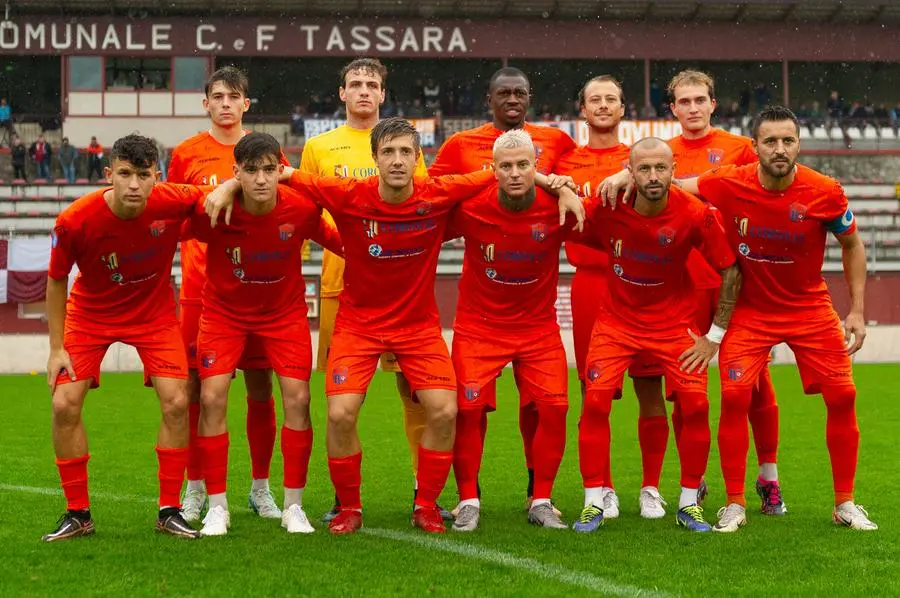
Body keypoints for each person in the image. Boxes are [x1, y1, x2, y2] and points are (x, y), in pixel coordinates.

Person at [207, 117, 583, 535]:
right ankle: (349, 506)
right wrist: (228, 185)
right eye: (389, 152)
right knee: (340, 414)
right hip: (359, 325)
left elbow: (505, 171)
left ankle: (425, 504)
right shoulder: (348, 194)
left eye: (406, 152)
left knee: (445, 410)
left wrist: (558, 184)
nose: (398, 160)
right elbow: (284, 172)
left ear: (419, 158)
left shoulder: (439, 193)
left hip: (418, 328)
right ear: (375, 159)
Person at [674, 106, 876, 532]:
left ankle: (845, 503)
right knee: (734, 397)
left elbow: (853, 244)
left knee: (843, 396)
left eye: (788, 141)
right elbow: (672, 187)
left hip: (809, 309)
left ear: (799, 144)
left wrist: (857, 309)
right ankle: (734, 503)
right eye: (771, 141)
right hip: (750, 311)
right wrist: (623, 176)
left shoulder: (825, 191)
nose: (780, 149)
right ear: (755, 147)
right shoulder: (728, 181)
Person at [42, 134, 204, 542]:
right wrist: (56, 348)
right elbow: (57, 279)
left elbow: (216, 193)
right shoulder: (75, 220)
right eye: (126, 174)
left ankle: (169, 510)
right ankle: (78, 513)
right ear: (108, 174)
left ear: (157, 178)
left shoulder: (174, 200)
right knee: (64, 403)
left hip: (153, 314)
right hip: (91, 315)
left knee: (177, 401)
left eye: (144, 175)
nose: (134, 184)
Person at [429, 66, 576, 513]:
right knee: (468, 410)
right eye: (503, 94)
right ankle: (468, 498)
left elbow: (579, 190)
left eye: (519, 93)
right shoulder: (460, 149)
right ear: (489, 100)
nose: (512, 100)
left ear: (530, 98)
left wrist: (561, 187)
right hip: (481, 321)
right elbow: (433, 195)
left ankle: (541, 496)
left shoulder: (558, 143)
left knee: (548, 408)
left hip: (536, 322)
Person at [574, 137, 740, 533]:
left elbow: (730, 269)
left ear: (673, 169)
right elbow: (569, 217)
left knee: (696, 406)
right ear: (629, 170)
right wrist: (563, 192)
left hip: (672, 324)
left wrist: (714, 335)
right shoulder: (608, 206)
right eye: (643, 168)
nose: (652, 176)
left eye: (660, 168)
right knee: (595, 402)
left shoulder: (695, 213)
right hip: (616, 323)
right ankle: (593, 501)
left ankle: (687, 503)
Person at [298, 58, 439, 522]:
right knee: (341, 400)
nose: (363, 90)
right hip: (343, 287)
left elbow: (420, 205)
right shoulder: (319, 147)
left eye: (371, 84)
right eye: (355, 83)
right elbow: (305, 209)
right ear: (341, 93)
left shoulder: (405, 146)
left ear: (382, 94)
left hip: (399, 289)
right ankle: (344, 499)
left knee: (415, 393)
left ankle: (424, 489)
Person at [188, 133, 342, 537]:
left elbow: (343, 242)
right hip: (224, 314)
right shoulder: (215, 211)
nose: (260, 179)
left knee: (299, 398)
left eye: (268, 170)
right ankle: (217, 507)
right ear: (235, 172)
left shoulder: (302, 209)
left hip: (283, 314)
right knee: (211, 397)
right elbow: (166, 225)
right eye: (250, 171)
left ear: (281, 170)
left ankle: (293, 505)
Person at [167, 66, 289, 523]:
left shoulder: (264, 150)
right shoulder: (186, 154)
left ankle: (260, 487)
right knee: (199, 390)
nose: (224, 103)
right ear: (205, 103)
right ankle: (195, 487)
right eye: (216, 96)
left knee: (261, 387)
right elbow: (173, 210)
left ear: (246, 104)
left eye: (233, 96)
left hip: (257, 291)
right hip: (201, 291)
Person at [666, 70, 783, 517]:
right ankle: (691, 483)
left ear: (714, 104)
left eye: (700, 100)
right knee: (686, 388)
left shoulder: (740, 148)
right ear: (672, 108)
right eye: (684, 101)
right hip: (682, 284)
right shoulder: (661, 155)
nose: (693, 108)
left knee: (754, 387)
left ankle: (768, 478)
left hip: (738, 281)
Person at [556, 75, 668, 521]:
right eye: (594, 100)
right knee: (592, 390)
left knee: (649, 385)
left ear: (623, 108)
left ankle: (651, 488)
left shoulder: (643, 159)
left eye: (611, 99)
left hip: (643, 283)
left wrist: (630, 171)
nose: (603, 106)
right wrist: (558, 183)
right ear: (582, 110)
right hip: (592, 283)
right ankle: (599, 489)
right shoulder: (566, 160)